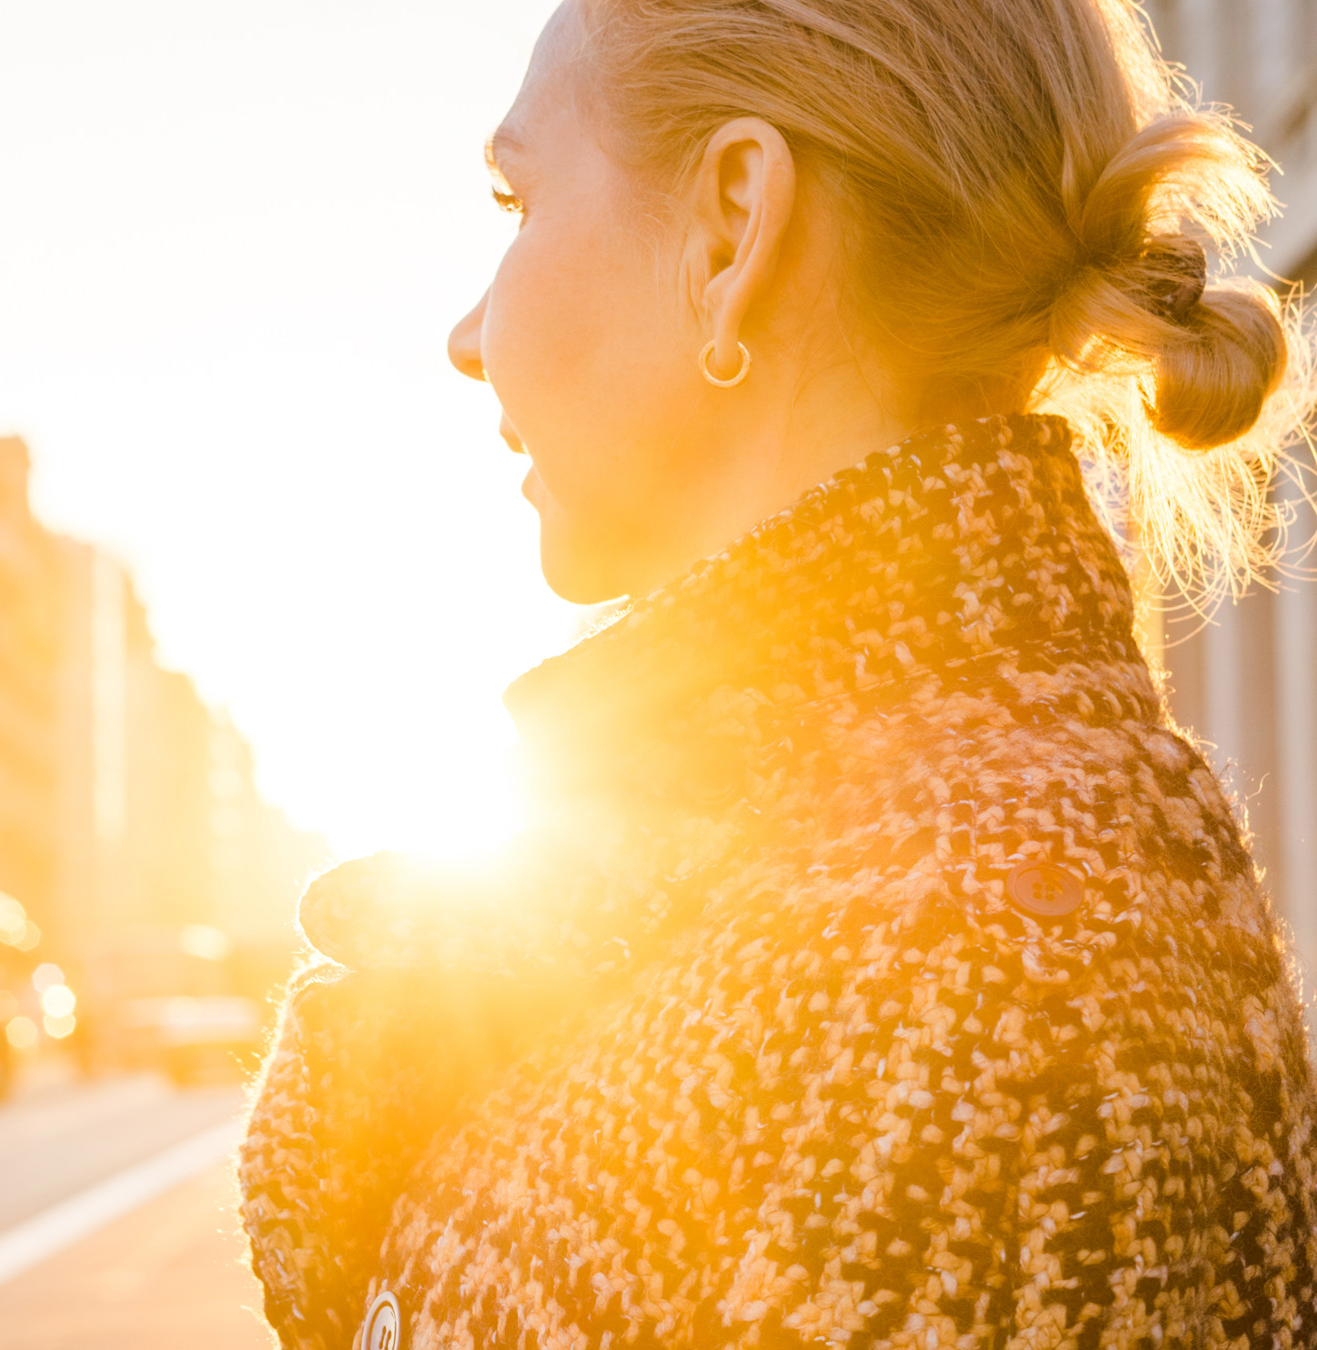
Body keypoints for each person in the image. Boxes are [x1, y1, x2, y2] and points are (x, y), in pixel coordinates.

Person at [237, 1, 1317, 1346]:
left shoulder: (999, 990)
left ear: (734, 223)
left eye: (515, 201)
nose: (468, 332)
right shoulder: (794, 860)